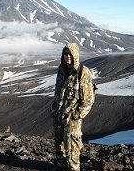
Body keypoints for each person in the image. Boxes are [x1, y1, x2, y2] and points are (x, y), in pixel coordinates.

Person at [51, 43, 95, 171]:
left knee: (72, 144)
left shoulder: (83, 72)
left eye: (70, 54)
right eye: (65, 54)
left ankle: (73, 167)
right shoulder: (61, 70)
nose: (68, 56)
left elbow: (88, 100)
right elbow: (58, 92)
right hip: (59, 113)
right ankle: (60, 165)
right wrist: (54, 109)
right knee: (59, 142)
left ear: (75, 55)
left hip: (72, 117)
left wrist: (76, 115)